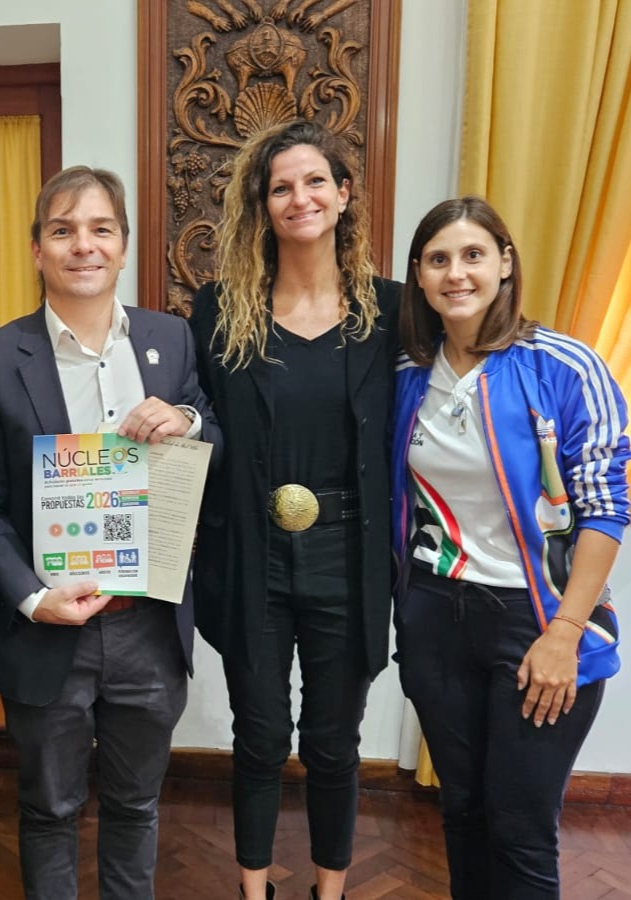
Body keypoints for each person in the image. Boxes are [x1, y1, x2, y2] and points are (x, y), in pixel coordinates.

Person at [0, 166, 221, 900]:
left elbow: (212, 434)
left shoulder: (170, 339)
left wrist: (188, 420)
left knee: (137, 805)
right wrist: (31, 598)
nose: (83, 245)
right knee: (49, 809)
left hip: (149, 623)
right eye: (63, 230)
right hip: (47, 628)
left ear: (123, 245)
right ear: (37, 249)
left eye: (101, 229)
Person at [187, 119, 400, 900]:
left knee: (335, 746)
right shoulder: (219, 310)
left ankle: (328, 892)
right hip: (252, 552)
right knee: (260, 739)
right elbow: (200, 421)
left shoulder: (392, 310)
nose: (299, 198)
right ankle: (256, 892)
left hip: (348, 554)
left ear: (344, 196)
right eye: (281, 186)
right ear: (263, 204)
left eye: (315, 182)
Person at [391, 196, 627, 898]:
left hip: (538, 621)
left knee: (520, 829)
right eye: (438, 259)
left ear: (504, 264)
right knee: (462, 813)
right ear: (419, 276)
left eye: (473, 255)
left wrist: (565, 632)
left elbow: (607, 507)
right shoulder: (407, 375)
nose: (456, 273)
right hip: (436, 617)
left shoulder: (565, 366)